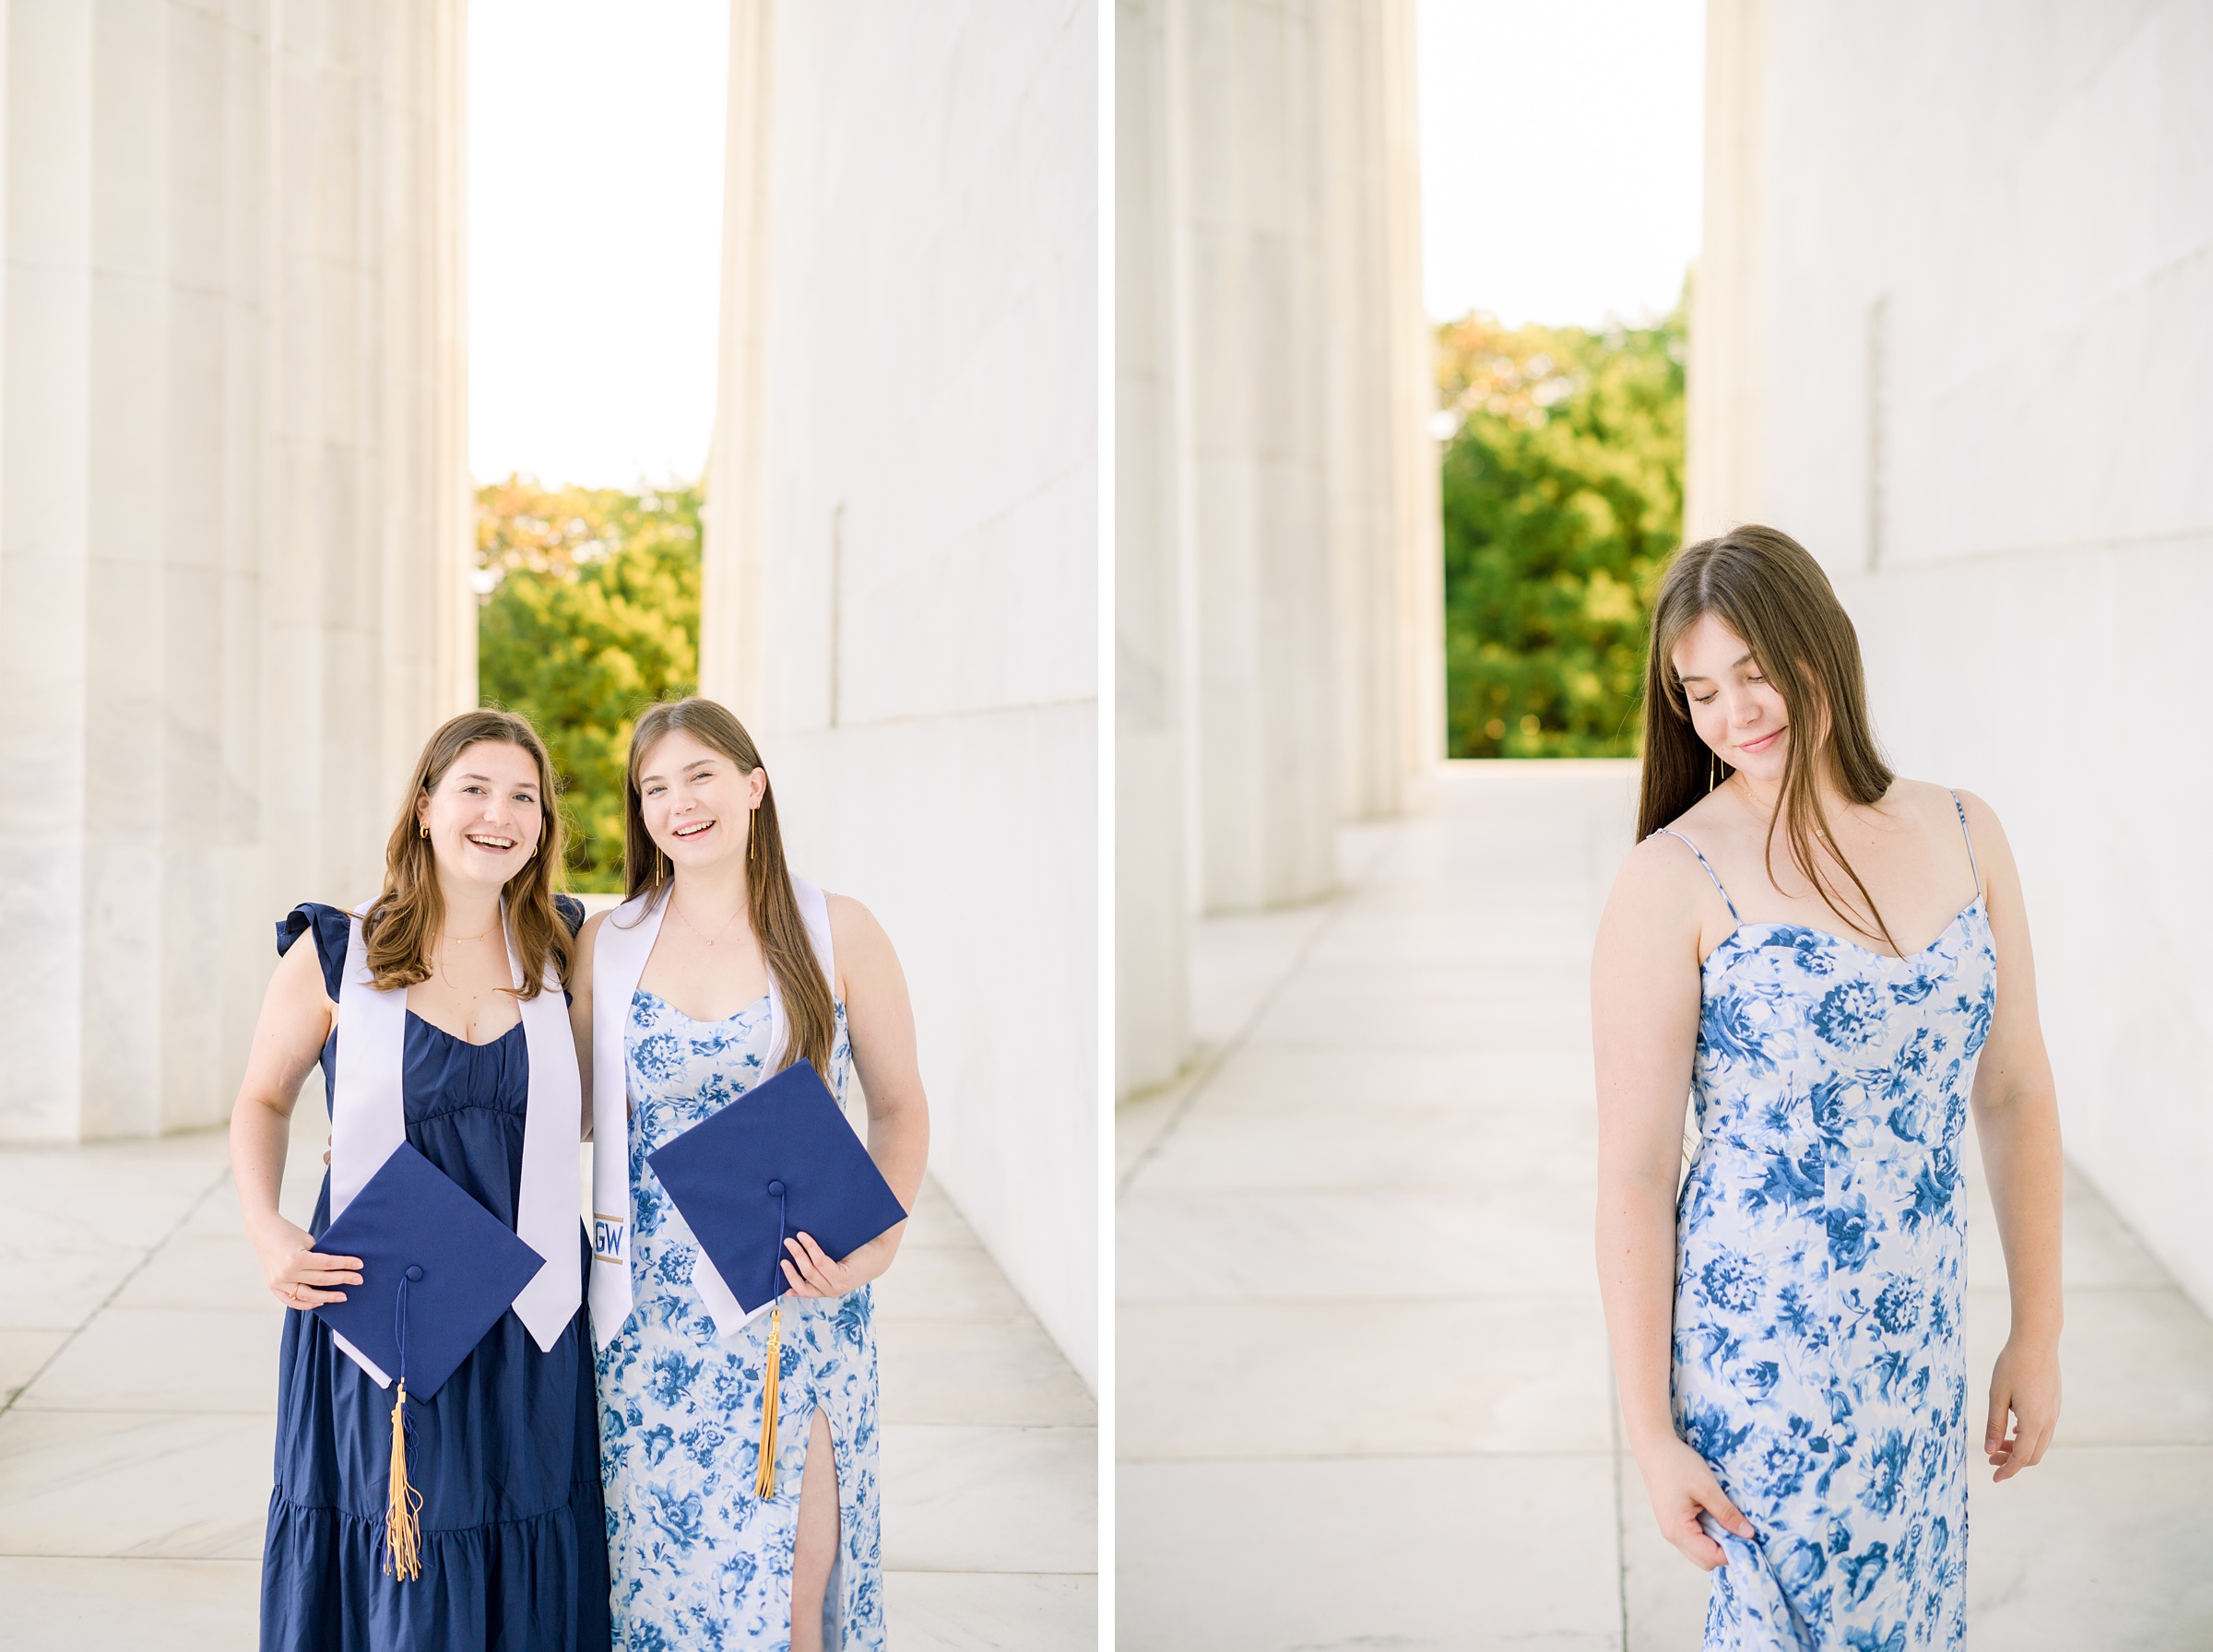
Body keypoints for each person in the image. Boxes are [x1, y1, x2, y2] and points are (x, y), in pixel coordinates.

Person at [1591, 527, 2063, 1647]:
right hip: (1766, 1359)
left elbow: (2015, 1093)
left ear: (1827, 648)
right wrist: (1653, 1437)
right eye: (1700, 690)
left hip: (1916, 1344)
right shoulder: (1672, 876)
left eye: (1757, 669)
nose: (1735, 711)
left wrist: (2034, 1333)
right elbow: (1635, 1171)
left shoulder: (1964, 828)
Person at [230, 708, 610, 1651]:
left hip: (530, 1315)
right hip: (383, 1304)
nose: (500, 813)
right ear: (427, 806)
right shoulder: (336, 952)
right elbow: (263, 1100)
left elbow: (594, 1114)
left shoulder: (569, 951)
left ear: (546, 825)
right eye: (475, 789)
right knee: (400, 1536)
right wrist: (267, 1228)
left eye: (525, 796)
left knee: (525, 1528)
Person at [574, 697, 929, 1652]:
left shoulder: (838, 929)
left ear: (754, 786)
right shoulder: (607, 945)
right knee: (653, 1590)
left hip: (796, 1306)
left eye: (700, 776)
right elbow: (555, 1111)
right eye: (654, 788)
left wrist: (873, 1249)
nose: (679, 803)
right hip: (649, 1324)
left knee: (792, 1586)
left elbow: (899, 1107)